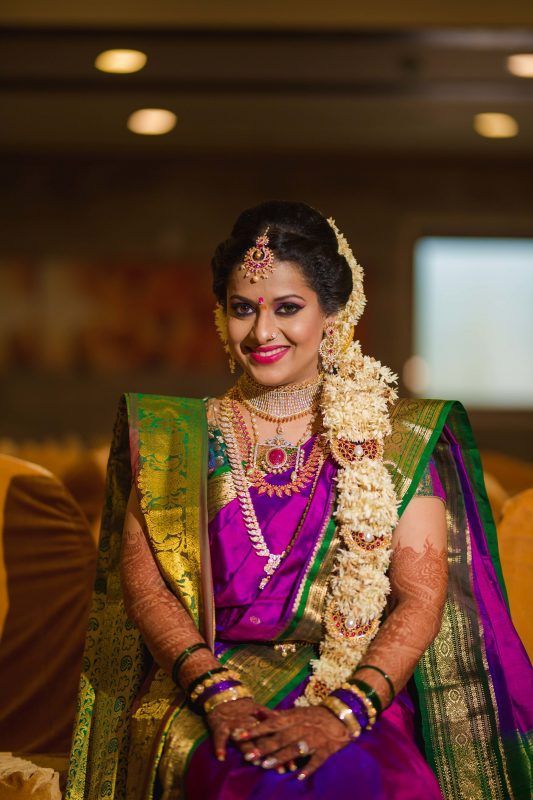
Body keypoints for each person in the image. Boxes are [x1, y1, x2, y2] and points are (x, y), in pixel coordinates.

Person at [65, 201, 532, 800]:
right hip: (206, 690)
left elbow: (419, 598)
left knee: (355, 775)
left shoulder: (392, 437)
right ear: (220, 316)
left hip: (352, 689)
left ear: (334, 316)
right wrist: (219, 694)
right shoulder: (174, 437)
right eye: (242, 310)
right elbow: (147, 586)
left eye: (288, 308)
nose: (261, 333)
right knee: (252, 777)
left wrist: (343, 712)